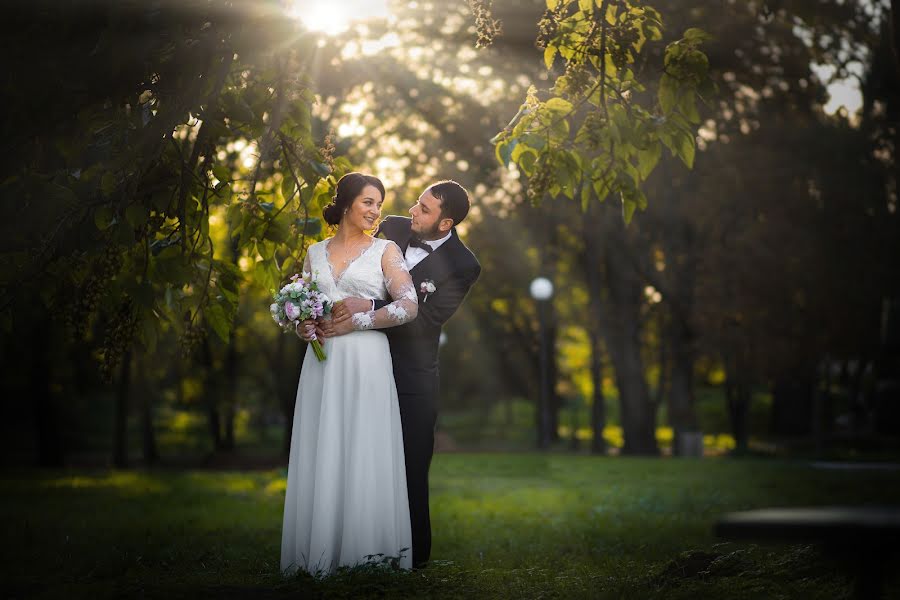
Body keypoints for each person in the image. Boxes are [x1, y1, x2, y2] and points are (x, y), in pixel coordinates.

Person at [313, 180, 480, 568]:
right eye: (416, 203)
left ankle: (412, 559)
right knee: (356, 454)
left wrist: (368, 305)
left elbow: (428, 319)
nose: (412, 212)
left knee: (410, 464)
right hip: (359, 362)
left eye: (423, 209)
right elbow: (344, 264)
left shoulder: (463, 264)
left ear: (445, 222)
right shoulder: (391, 227)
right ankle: (349, 544)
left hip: (412, 375)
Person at [280, 172, 418, 576]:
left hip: (366, 360)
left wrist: (360, 320)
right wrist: (302, 327)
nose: (376, 211)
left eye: (379, 203)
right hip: (322, 364)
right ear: (345, 204)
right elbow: (303, 309)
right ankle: (317, 554)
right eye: (368, 202)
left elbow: (409, 306)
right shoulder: (314, 252)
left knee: (362, 442)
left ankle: (367, 555)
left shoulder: (386, 250)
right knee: (324, 442)